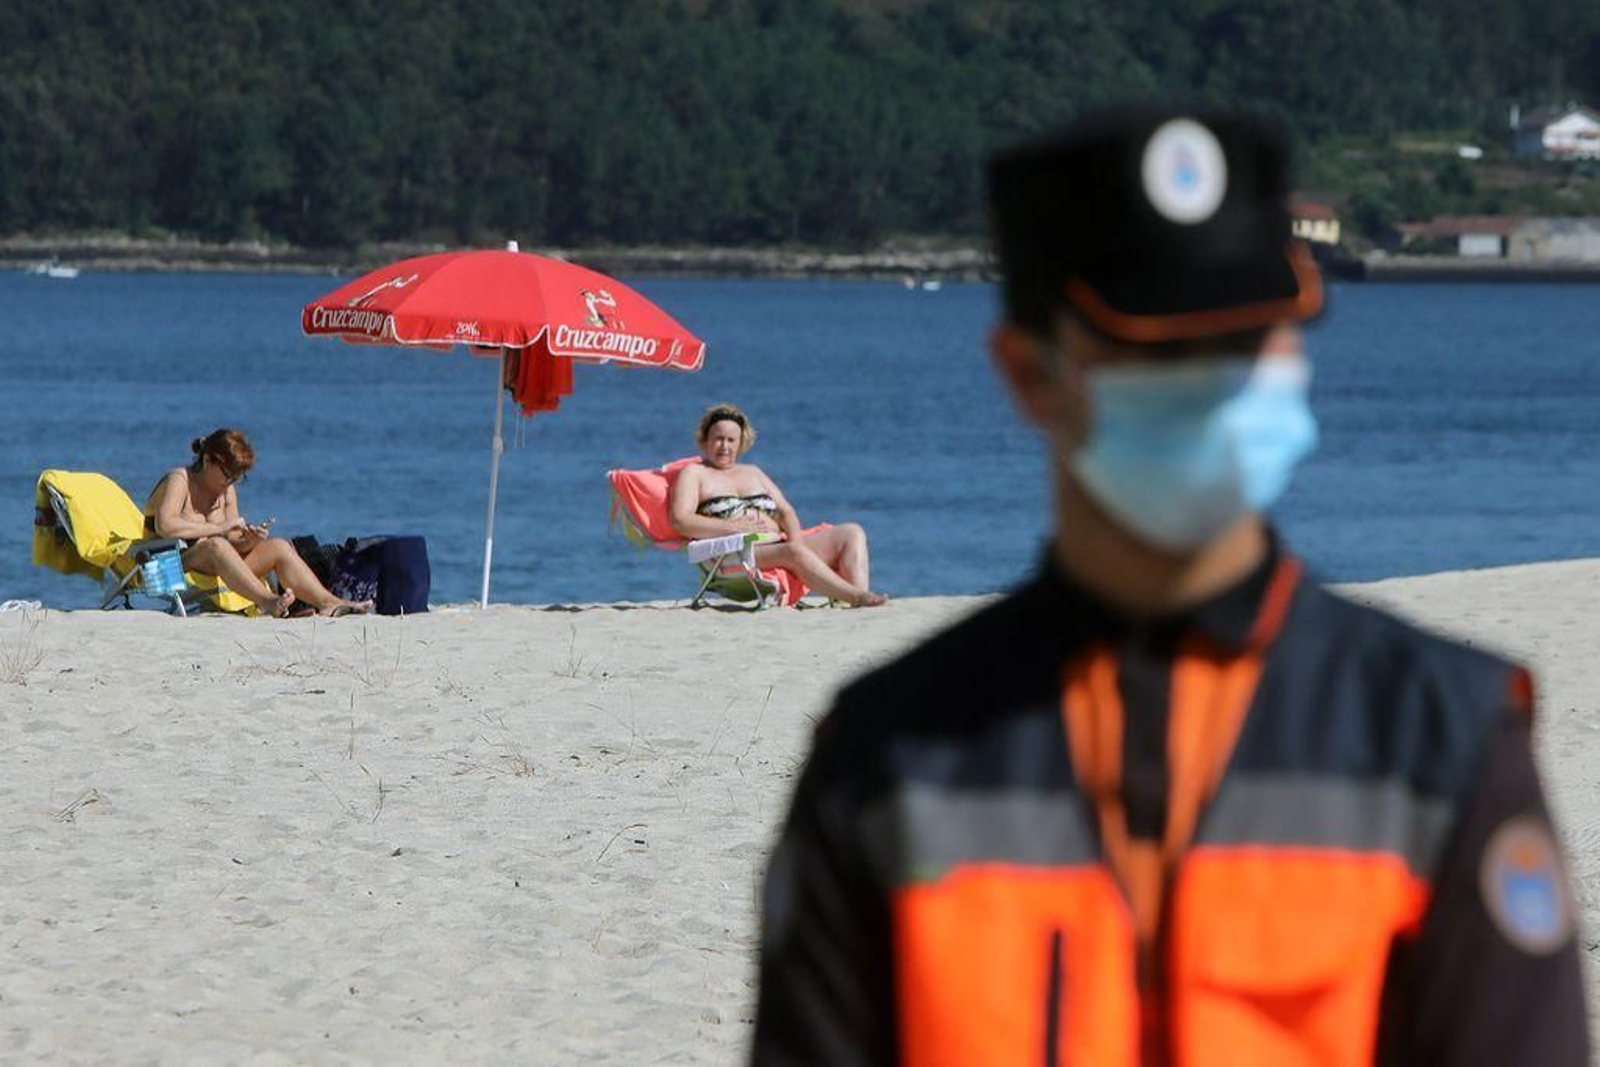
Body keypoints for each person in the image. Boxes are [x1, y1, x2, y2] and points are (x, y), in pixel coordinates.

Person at [752, 106, 1586, 1064]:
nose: (1217, 381)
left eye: (1249, 338)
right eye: (1158, 348)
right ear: (1029, 374)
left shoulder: (1440, 735)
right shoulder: (887, 760)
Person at [669, 403, 887, 607]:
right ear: (704, 440)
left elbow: (786, 511)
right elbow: (680, 520)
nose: (724, 446)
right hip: (735, 553)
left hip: (781, 545)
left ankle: (860, 598)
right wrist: (733, 528)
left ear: (741, 443)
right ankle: (857, 597)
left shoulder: (753, 472)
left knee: (851, 532)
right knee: (792, 551)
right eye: (718, 439)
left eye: (731, 440)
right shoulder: (695, 473)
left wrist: (797, 542)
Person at [144, 428, 373, 618]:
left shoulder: (226, 491)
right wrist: (219, 529)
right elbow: (166, 526)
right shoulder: (179, 479)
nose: (230, 482)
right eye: (227, 475)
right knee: (215, 545)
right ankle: (268, 602)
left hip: (210, 562)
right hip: (163, 567)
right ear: (207, 460)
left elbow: (232, 543)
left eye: (237, 478)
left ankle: (329, 603)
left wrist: (249, 540)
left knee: (278, 547)